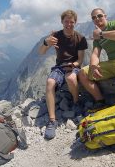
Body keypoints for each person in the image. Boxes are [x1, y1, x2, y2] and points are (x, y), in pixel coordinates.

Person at [39, 9, 88, 140]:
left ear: (75, 22)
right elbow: (42, 52)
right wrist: (46, 42)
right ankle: (52, 120)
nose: (69, 24)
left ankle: (76, 102)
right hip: (59, 67)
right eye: (66, 21)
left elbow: (80, 60)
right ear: (62, 22)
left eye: (71, 22)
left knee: (71, 78)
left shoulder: (80, 38)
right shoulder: (56, 36)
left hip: (74, 67)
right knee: (50, 82)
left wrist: (73, 65)